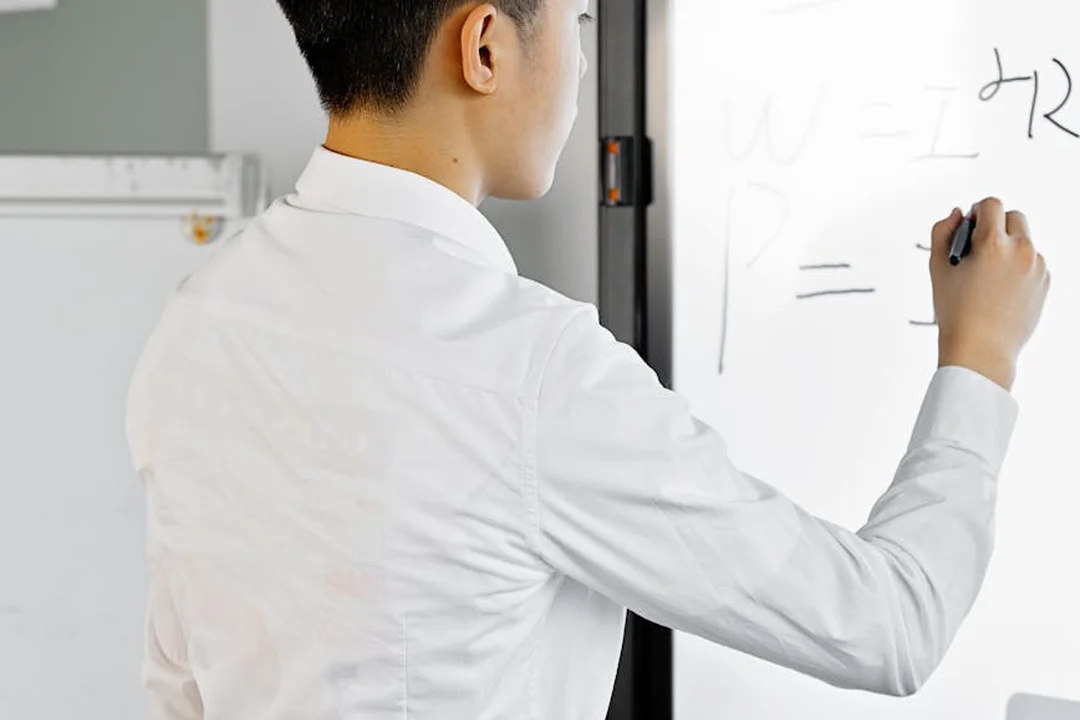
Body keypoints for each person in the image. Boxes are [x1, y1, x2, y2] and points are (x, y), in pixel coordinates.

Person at [124, 1, 1051, 718]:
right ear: (484, 47)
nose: (579, 64)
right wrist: (980, 355)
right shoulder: (533, 372)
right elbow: (892, 623)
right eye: (576, 24)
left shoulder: (197, 324)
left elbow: (180, 691)